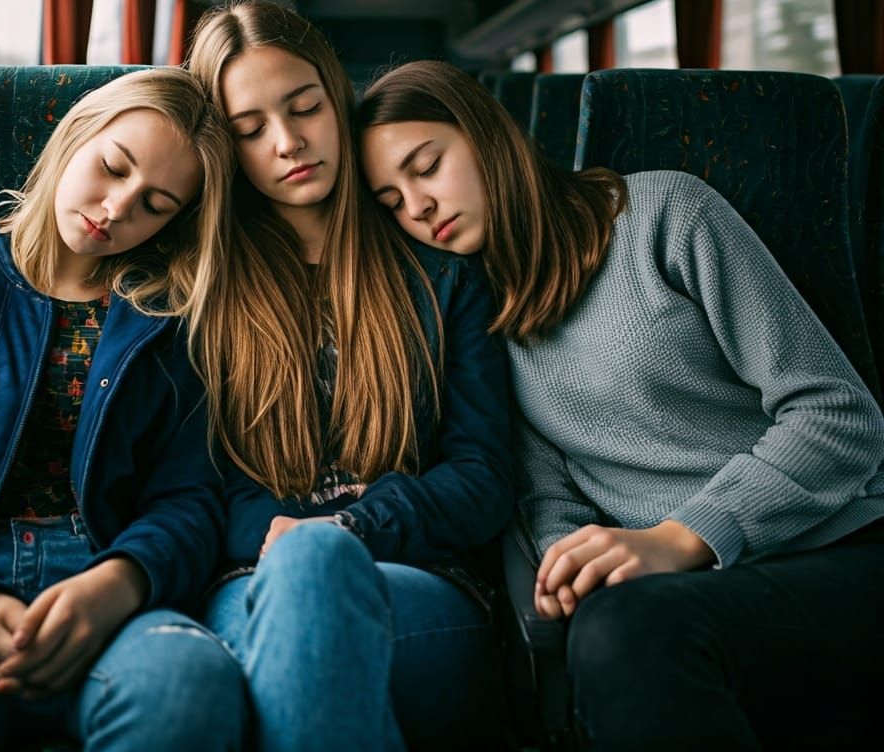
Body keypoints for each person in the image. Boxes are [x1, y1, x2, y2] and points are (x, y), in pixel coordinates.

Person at [357, 59, 884, 751]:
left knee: (629, 629)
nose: (418, 208)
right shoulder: (482, 321)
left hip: (833, 544)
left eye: (426, 166)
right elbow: (549, 496)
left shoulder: (665, 214)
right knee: (610, 626)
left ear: (489, 138)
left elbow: (839, 417)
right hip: (678, 592)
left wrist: (680, 538)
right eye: (392, 202)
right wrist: (571, 569)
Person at [0, 69, 246, 752]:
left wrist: (121, 583)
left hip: (105, 579)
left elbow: (189, 498)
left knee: (186, 694)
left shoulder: (173, 316)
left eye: (155, 203)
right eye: (113, 167)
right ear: (75, 134)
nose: (119, 207)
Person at [186, 0, 512, 752]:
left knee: (315, 565)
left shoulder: (441, 272)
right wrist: (282, 540)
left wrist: (347, 528)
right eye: (250, 129)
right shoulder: (203, 291)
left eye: (306, 108)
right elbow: (197, 482)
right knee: (301, 584)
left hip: (421, 582)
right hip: (246, 585)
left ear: (337, 99)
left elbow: (483, 474)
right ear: (222, 148)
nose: (289, 142)